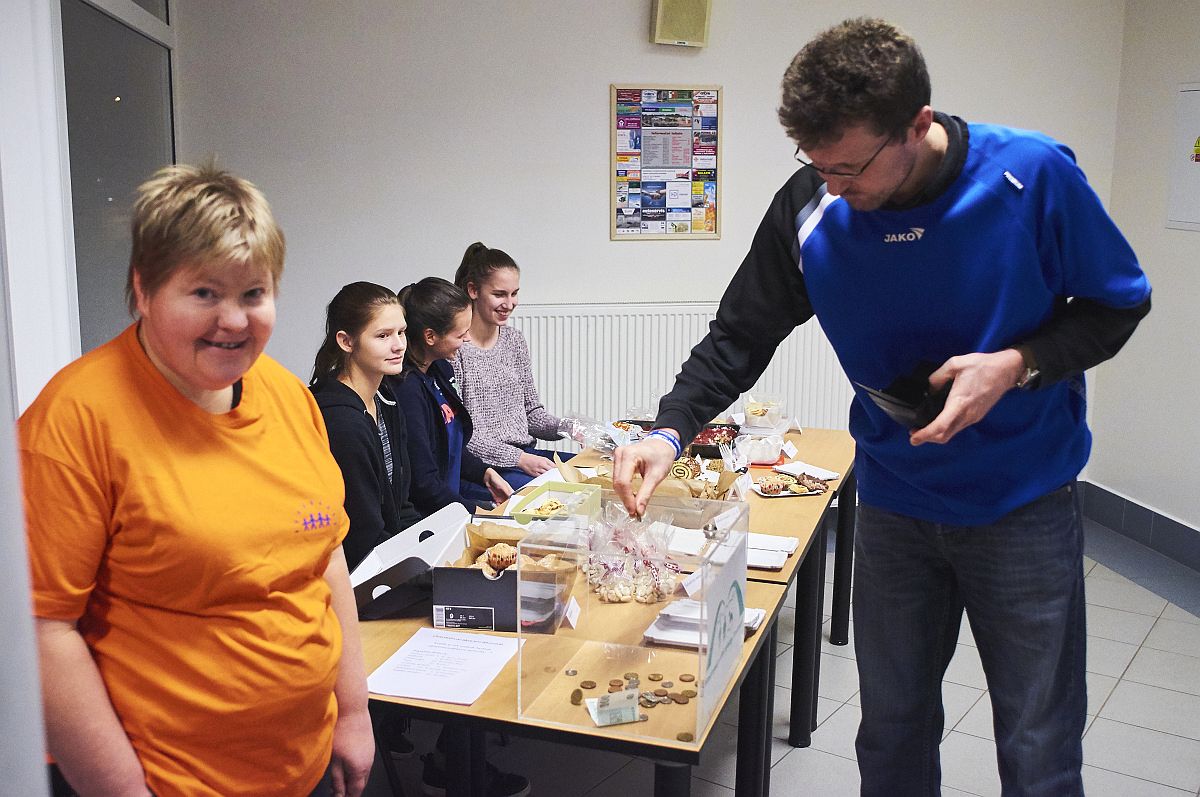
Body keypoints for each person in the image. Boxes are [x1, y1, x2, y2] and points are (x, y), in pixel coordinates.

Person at [613, 17, 1151, 796]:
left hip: (1023, 504)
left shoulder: (1031, 176)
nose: (834, 187)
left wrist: (1019, 364)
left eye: (850, 167)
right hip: (896, 506)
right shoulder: (812, 204)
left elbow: (1118, 304)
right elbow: (738, 335)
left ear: (916, 124)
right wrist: (668, 432)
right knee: (892, 732)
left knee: (1038, 745)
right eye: (817, 165)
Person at [20, 164, 374, 797]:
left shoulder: (289, 397)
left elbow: (325, 556)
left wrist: (353, 712)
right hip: (168, 780)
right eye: (205, 293)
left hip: (305, 763)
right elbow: (43, 630)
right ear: (144, 289)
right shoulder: (73, 421)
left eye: (253, 293)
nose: (233, 320)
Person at [310, 282, 422, 571]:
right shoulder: (342, 423)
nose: (398, 345)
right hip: (356, 570)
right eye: (383, 336)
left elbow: (401, 505)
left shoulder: (386, 400)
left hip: (386, 553)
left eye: (401, 332)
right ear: (346, 342)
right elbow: (361, 537)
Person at [451, 242, 568, 494]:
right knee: (563, 493)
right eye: (500, 294)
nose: (510, 303)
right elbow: (460, 436)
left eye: (514, 293)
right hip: (486, 467)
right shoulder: (455, 349)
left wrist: (571, 428)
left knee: (593, 472)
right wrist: (519, 459)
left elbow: (532, 414)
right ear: (473, 290)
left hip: (523, 456)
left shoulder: (514, 340)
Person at [392, 277, 512, 515]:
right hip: (431, 514)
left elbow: (451, 447)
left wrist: (484, 473)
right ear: (430, 336)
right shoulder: (407, 390)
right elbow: (424, 484)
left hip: (450, 499)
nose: (467, 339)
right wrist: (478, 513)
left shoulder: (441, 369)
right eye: (460, 334)